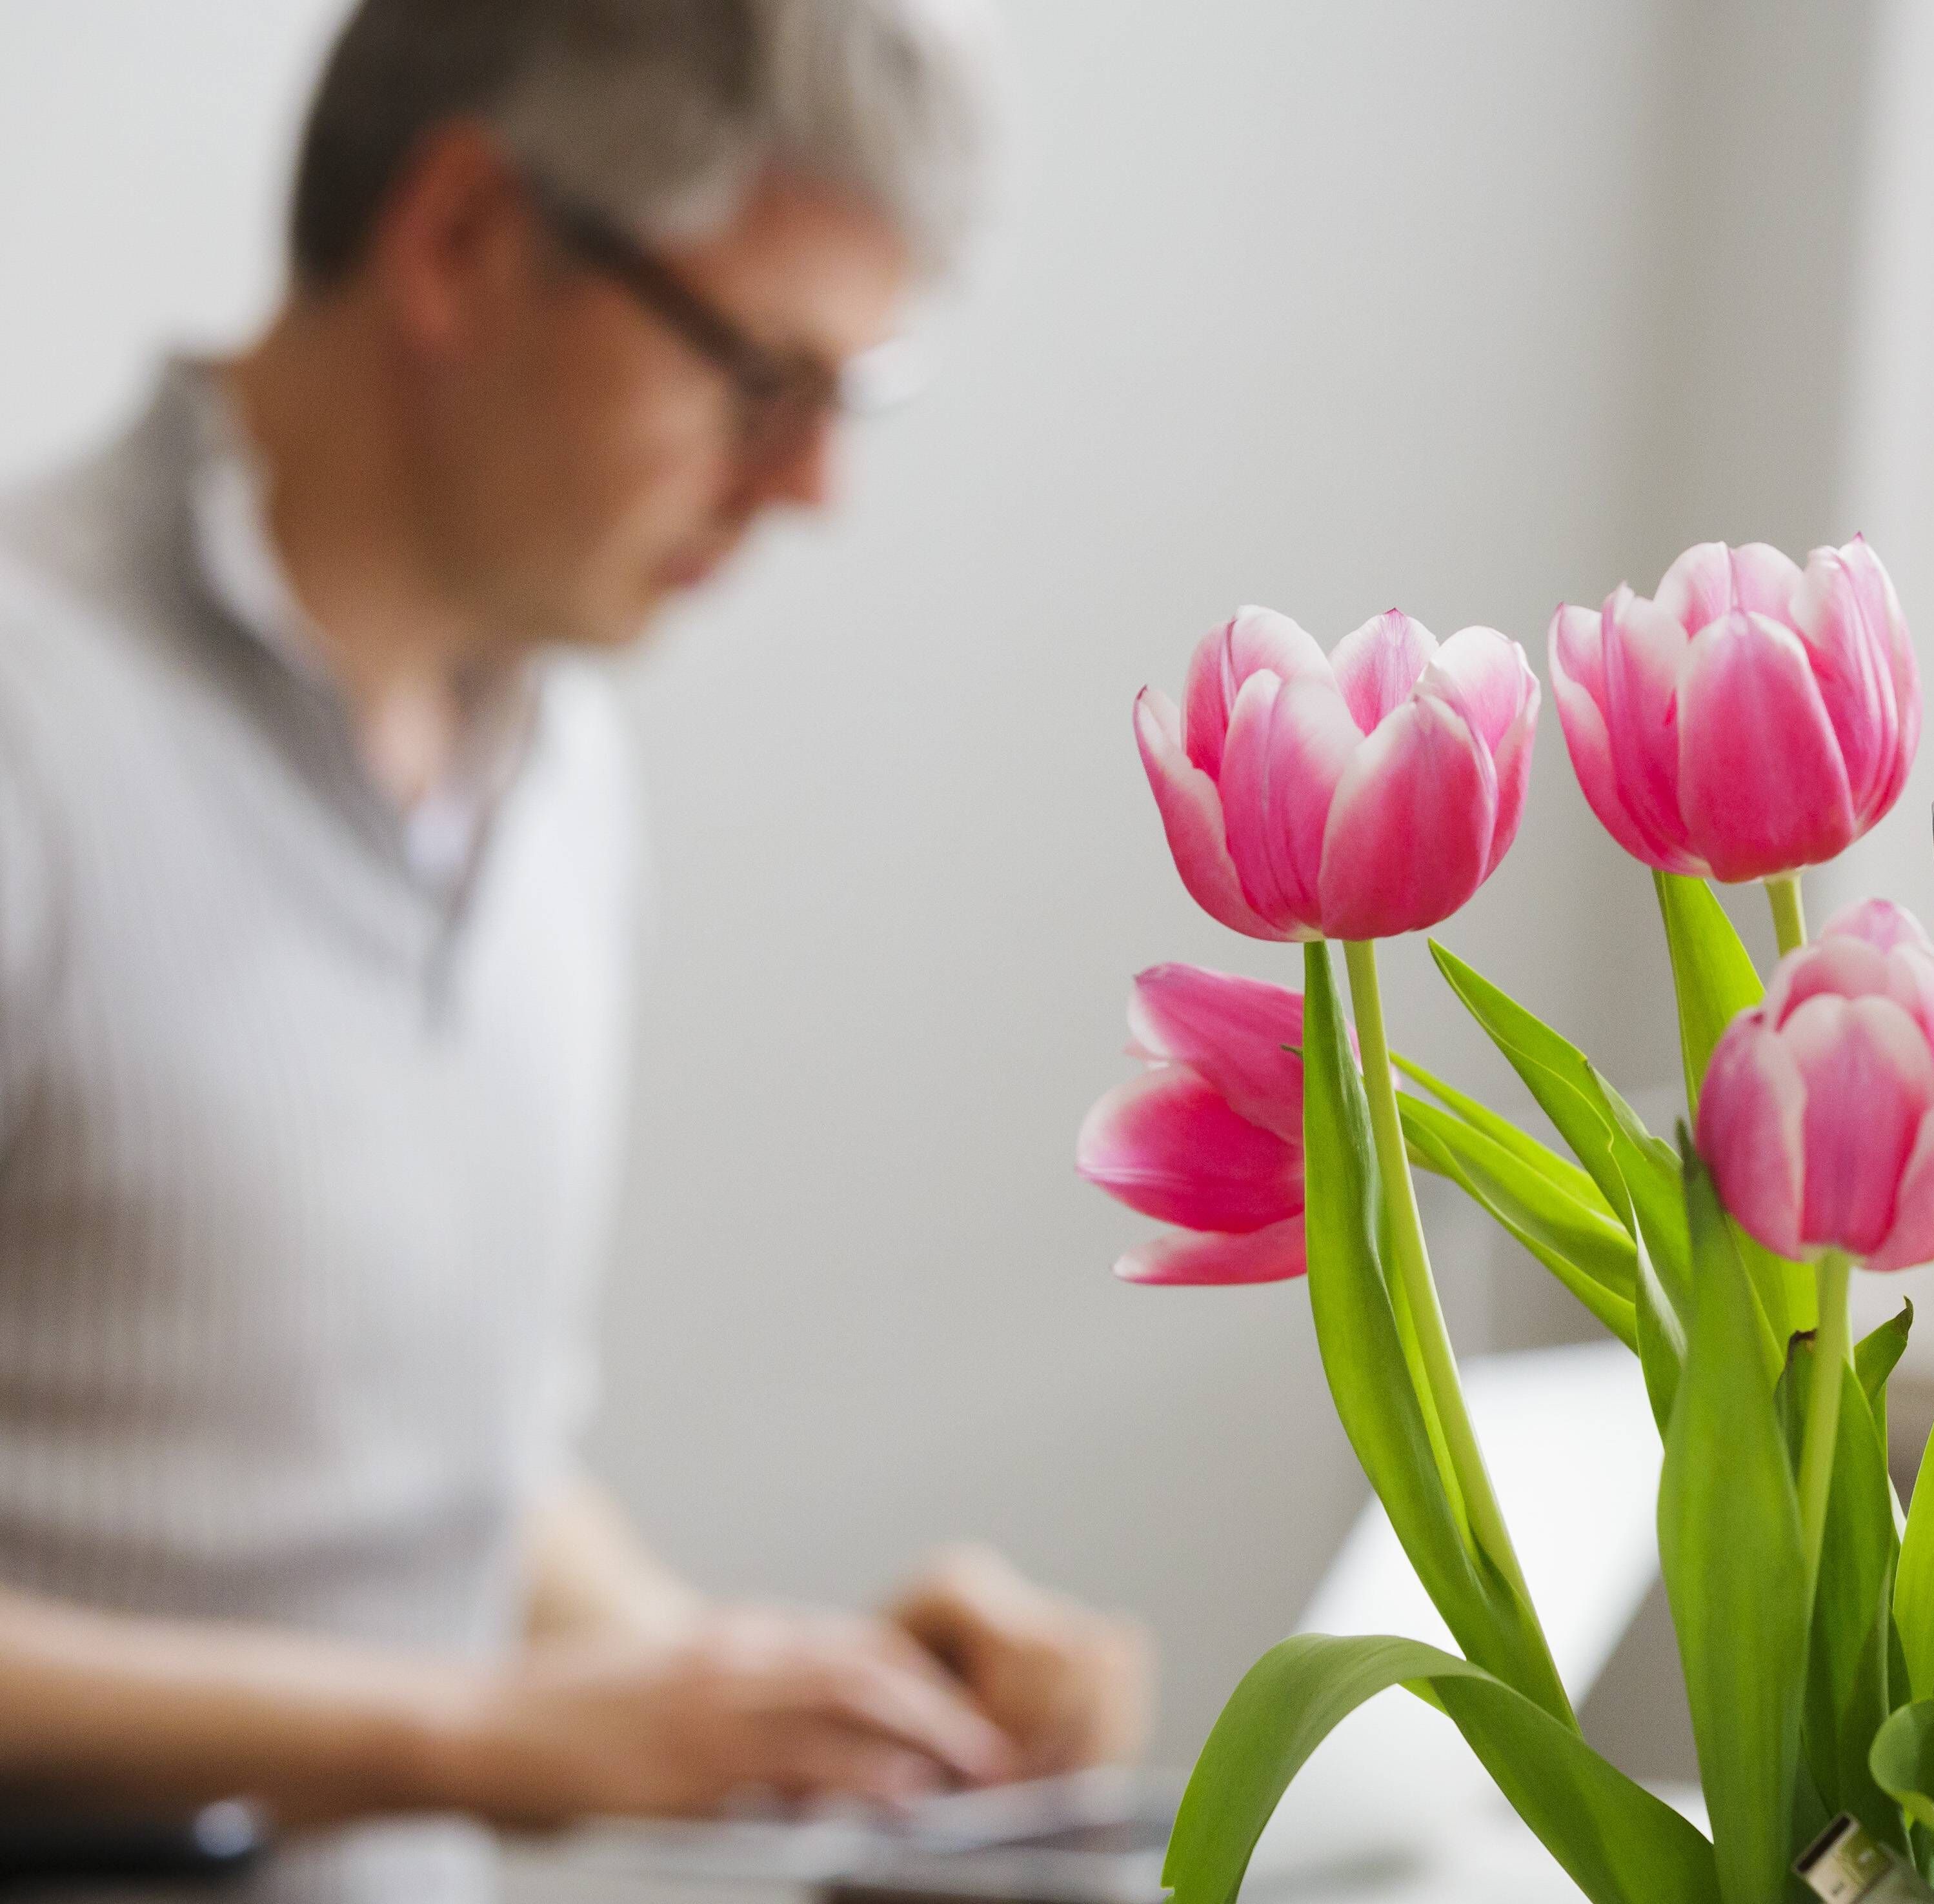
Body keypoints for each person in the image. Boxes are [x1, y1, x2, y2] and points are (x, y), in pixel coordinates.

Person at [0, 2, 1151, 1896]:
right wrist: (459, 1736)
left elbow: (461, 1493)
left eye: (849, 404)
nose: (810, 490)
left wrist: (803, 1708)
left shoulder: (557, 771)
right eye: (759, 380)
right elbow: (464, 1705)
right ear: (462, 238)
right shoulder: (40, 728)